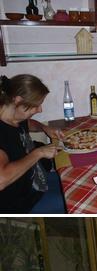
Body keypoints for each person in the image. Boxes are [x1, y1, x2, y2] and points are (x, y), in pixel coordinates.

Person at [0, 74, 66, 214]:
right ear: (18, 101)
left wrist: (44, 128)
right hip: (23, 202)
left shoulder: (14, 115)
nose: (40, 110)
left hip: (38, 179)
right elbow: (2, 180)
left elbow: (28, 123)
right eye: (36, 106)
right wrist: (38, 153)